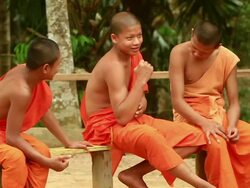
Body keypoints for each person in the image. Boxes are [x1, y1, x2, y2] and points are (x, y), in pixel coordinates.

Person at [80, 11, 215, 188]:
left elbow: (140, 97)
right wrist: (141, 82)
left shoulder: (134, 55)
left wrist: (141, 100)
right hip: (107, 127)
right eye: (130, 38)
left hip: (133, 120)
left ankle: (134, 174)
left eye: (139, 35)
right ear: (114, 38)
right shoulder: (113, 66)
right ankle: (203, 185)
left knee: (197, 136)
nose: (136, 42)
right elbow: (121, 117)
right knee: (151, 136)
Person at [0, 38, 92, 188]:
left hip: (4, 132)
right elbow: (12, 138)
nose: (59, 69)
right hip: (6, 134)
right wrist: (48, 163)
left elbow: (42, 109)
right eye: (58, 65)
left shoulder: (28, 73)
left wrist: (67, 142)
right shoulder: (21, 91)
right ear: (45, 68)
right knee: (14, 158)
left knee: (42, 150)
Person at [169, 20, 250, 187]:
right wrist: (204, 123)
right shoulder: (179, 53)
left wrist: (232, 126)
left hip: (218, 115)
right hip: (189, 114)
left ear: (217, 47)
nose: (197, 54)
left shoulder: (227, 58)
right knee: (217, 142)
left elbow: (234, 103)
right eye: (194, 48)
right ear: (192, 33)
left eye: (204, 53)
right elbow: (177, 101)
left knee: (246, 136)